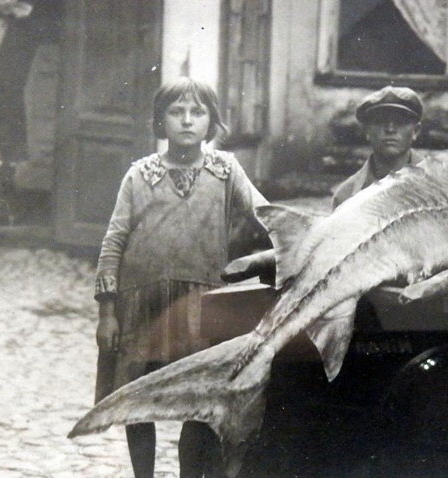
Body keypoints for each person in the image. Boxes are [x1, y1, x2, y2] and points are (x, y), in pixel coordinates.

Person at [94, 78, 269, 478]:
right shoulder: (139, 176)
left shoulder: (226, 171)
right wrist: (108, 313)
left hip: (201, 309)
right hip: (141, 308)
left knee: (201, 401)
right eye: (176, 112)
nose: (187, 121)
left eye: (197, 112)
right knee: (138, 401)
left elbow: (266, 216)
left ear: (212, 121)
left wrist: (300, 238)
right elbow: (113, 242)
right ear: (160, 121)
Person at [0, 0, 63, 224]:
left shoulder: (25, 27)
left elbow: (53, 30)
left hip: (10, 101)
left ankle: (5, 208)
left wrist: (27, 12)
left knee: (5, 153)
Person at [332, 86, 426, 208]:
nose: (390, 129)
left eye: (400, 121)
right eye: (381, 121)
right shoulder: (346, 196)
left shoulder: (439, 187)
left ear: (415, 131)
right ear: (367, 132)